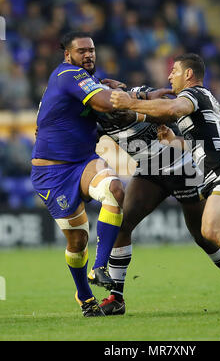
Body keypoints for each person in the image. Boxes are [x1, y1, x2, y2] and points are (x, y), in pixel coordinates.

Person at [110, 53, 220, 315]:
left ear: (189, 75)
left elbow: (170, 109)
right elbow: (198, 142)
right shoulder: (200, 102)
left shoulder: (194, 94)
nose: (170, 76)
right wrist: (174, 141)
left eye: (175, 71)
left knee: (210, 230)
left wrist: (130, 102)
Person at [31, 31, 171, 318]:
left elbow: (113, 107)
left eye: (92, 50)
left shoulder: (89, 81)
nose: (89, 55)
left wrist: (146, 103)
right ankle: (84, 295)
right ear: (68, 55)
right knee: (77, 241)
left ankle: (100, 267)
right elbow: (107, 104)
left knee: (115, 189)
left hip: (83, 162)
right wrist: (143, 100)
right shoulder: (68, 75)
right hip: (52, 172)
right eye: (81, 51)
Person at [89, 85, 220, 316]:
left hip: (182, 169)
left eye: (111, 87)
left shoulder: (138, 93)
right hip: (149, 171)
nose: (110, 93)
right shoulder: (98, 116)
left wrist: (147, 107)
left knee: (203, 236)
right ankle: (116, 297)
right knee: (122, 224)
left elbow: (171, 107)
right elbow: (84, 138)